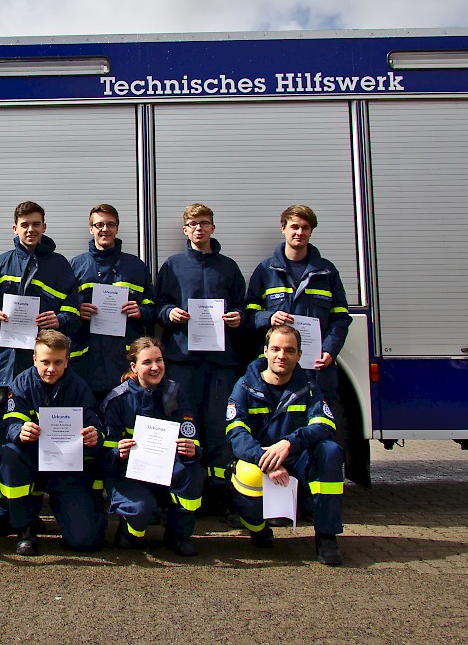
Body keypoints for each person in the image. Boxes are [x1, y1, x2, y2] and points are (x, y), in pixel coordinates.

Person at [0, 201, 81, 536]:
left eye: (36, 224)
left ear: (44, 227)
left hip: (42, 377)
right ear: (15, 228)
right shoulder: (0, 264)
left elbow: (76, 313)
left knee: (35, 442)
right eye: (24, 224)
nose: (30, 229)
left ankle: (27, 512)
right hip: (4, 369)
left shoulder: (60, 266)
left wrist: (60, 319)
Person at [226, 324, 344, 566]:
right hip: (261, 462)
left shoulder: (308, 386)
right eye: (277, 349)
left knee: (330, 451)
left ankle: (326, 536)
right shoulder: (245, 386)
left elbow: (325, 424)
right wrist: (264, 460)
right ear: (266, 351)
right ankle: (258, 530)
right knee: (247, 476)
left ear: (299, 355)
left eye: (290, 350)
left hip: (296, 460)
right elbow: (236, 433)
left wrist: (290, 443)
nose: (282, 355)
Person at [154, 203, 246, 486]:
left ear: (212, 228)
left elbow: (245, 306)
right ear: (185, 230)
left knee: (220, 428)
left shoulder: (228, 267)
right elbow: (158, 305)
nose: (199, 228)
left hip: (221, 364)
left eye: (204, 223)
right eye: (193, 224)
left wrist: (238, 317)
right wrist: (169, 313)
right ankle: (189, 489)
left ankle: (221, 492)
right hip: (183, 362)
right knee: (185, 427)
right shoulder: (173, 265)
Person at [0, 330, 106, 554]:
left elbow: (95, 425)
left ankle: (84, 513)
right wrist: (21, 430)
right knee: (9, 454)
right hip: (32, 459)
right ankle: (25, 529)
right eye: (45, 362)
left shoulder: (79, 387)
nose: (51, 369)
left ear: (67, 361)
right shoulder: (22, 382)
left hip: (66, 468)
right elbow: (11, 421)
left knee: (85, 541)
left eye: (58, 362)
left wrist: (95, 437)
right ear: (34, 359)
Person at [102, 336, 205, 556]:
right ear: (134, 367)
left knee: (193, 473)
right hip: (128, 472)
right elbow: (105, 454)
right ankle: (129, 531)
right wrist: (117, 452)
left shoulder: (176, 394)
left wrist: (192, 450)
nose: (155, 367)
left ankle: (179, 535)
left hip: (166, 469)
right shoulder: (117, 399)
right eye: (147, 362)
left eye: (159, 360)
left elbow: (190, 433)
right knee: (140, 509)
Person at [244, 205, 351, 405]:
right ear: (283, 228)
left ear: (311, 231)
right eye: (294, 227)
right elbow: (249, 313)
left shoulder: (327, 272)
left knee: (318, 425)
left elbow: (341, 317)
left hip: (315, 369)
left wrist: (330, 350)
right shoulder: (265, 271)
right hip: (276, 368)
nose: (299, 232)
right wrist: (269, 318)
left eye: (305, 228)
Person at [70, 203, 157, 406]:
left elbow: (154, 309)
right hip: (86, 362)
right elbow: (62, 311)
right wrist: (78, 311)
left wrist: (140, 311)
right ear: (91, 229)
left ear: (117, 228)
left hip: (124, 361)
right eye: (99, 225)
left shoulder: (136, 266)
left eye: (110, 224)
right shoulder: (76, 266)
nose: (105, 229)